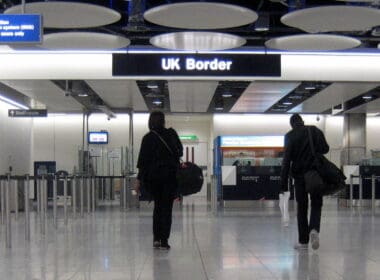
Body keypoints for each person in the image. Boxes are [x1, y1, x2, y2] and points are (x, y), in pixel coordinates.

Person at [134, 111, 183, 250]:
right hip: (170, 178)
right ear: (163, 121)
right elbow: (180, 152)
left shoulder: (148, 138)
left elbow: (142, 162)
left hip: (154, 179)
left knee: (157, 208)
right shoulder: (171, 134)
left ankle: (156, 238)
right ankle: (164, 240)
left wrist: (138, 181)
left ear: (150, 122)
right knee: (167, 209)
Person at [280, 114, 329, 250]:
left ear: (292, 124)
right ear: (302, 121)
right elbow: (326, 149)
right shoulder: (314, 130)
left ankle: (303, 241)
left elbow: (286, 161)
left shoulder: (289, 136)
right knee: (316, 204)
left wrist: (283, 183)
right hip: (314, 174)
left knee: (302, 208)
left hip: (299, 177)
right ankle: (314, 229)